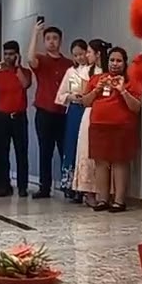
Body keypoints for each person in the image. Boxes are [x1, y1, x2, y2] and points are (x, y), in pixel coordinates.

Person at [79, 46, 141, 212]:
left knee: (120, 162)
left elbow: (136, 107)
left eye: (119, 60)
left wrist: (122, 91)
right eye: (112, 60)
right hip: (99, 126)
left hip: (122, 127)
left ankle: (119, 201)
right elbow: (85, 102)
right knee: (101, 163)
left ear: (124, 63)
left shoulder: (131, 81)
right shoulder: (97, 79)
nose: (115, 64)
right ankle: (102, 199)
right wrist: (97, 89)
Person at [26, 19, 72, 198]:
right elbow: (30, 58)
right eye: (48, 38)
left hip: (63, 112)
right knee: (45, 150)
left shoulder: (68, 64)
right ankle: (44, 187)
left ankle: (68, 186)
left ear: (60, 41)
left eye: (55, 38)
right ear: (45, 42)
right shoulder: (42, 60)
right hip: (44, 111)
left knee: (64, 150)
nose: (52, 41)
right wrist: (35, 33)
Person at [0, 40, 32, 197]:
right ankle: (3, 186)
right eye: (6, 54)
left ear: (17, 55)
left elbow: (25, 84)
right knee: (1, 153)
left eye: (12, 54)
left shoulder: (24, 72)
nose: (8, 57)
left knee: (21, 152)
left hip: (19, 116)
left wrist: (17, 67)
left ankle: (22, 187)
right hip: (2, 117)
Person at [70, 38, 106, 203]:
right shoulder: (87, 72)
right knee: (87, 151)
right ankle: (88, 191)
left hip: (105, 113)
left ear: (98, 54)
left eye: (90, 52)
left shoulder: (108, 71)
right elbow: (85, 95)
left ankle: (104, 192)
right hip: (90, 113)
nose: (87, 55)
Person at [55, 38, 90, 203]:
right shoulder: (71, 72)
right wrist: (71, 96)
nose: (79, 58)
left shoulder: (95, 71)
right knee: (72, 146)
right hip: (75, 110)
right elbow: (61, 94)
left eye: (82, 54)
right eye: (75, 55)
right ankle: (71, 185)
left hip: (89, 110)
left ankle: (87, 186)